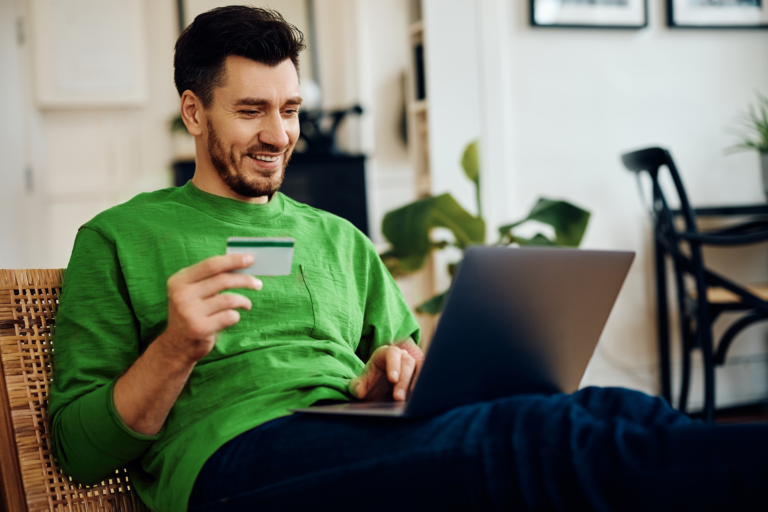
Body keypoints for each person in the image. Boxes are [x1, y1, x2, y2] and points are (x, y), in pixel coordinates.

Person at [50, 6, 767, 512]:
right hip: (235, 463)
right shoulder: (119, 238)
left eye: (291, 108)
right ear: (194, 111)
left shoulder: (339, 237)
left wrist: (394, 368)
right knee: (542, 445)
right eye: (251, 111)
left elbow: (409, 363)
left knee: (614, 407)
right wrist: (176, 347)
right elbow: (81, 451)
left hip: (351, 437)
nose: (279, 133)